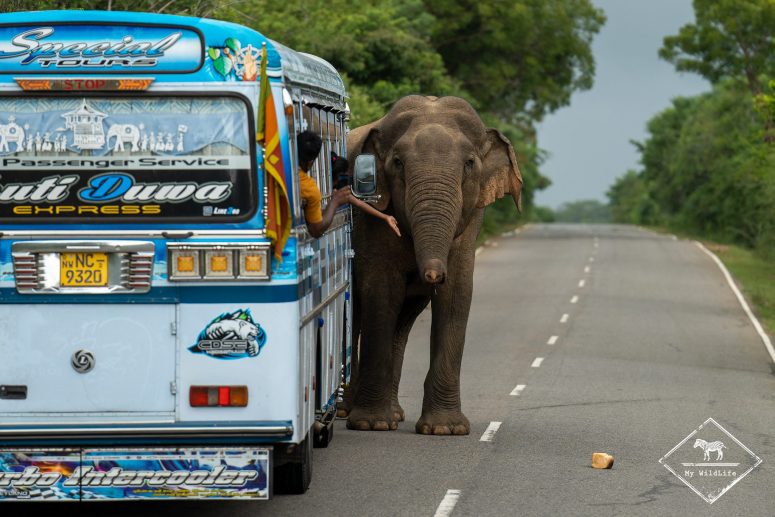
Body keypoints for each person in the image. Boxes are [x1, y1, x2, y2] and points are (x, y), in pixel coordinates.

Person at [296, 130, 400, 238]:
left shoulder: (291, 176)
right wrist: (334, 202)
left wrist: (385, 217)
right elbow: (316, 230)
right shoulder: (310, 188)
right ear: (311, 162)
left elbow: (357, 202)